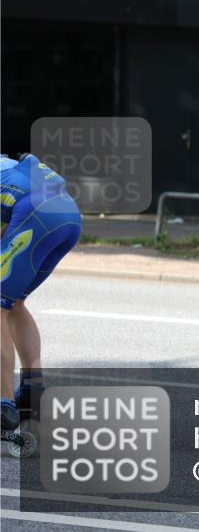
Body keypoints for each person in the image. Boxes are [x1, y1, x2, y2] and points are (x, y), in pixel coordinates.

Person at [0, 153, 81, 434]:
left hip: (37, 214)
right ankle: (32, 390)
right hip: (69, 216)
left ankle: (4, 404)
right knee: (14, 302)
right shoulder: (8, 167)